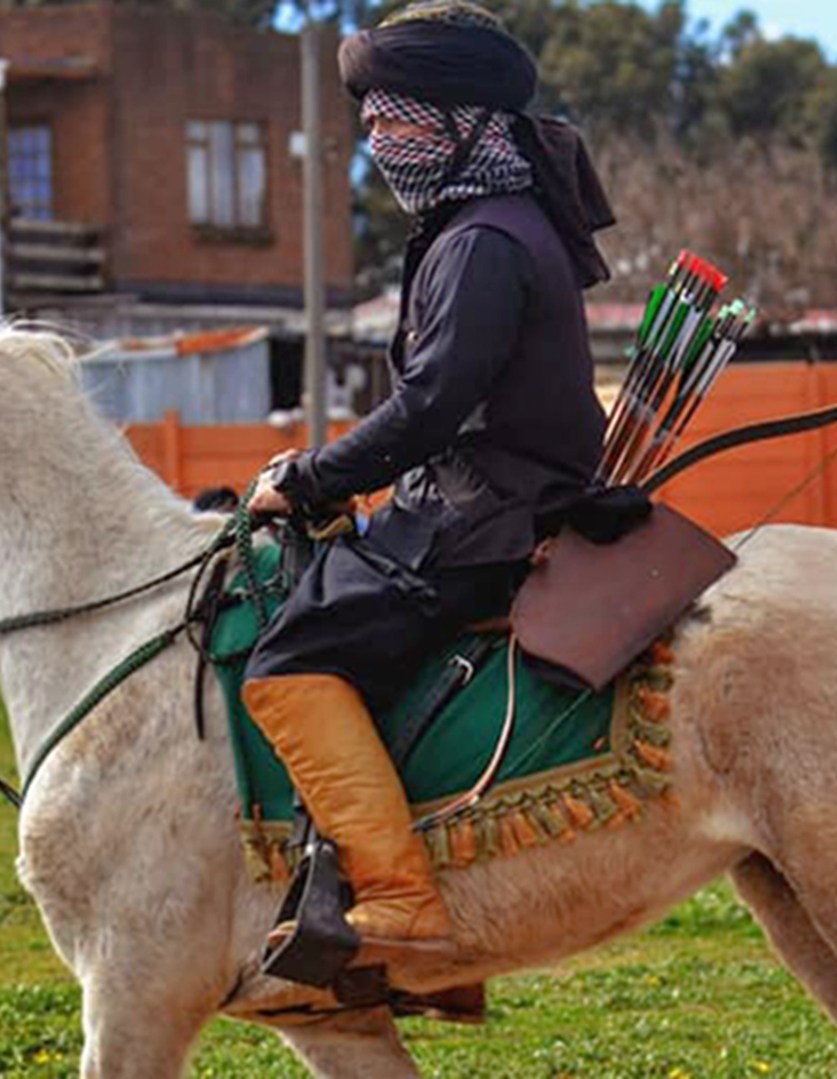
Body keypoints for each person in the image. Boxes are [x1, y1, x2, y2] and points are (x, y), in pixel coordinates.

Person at [239, 0, 614, 970]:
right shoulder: (500, 223)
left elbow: (429, 405)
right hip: (485, 500)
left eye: (390, 113)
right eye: (367, 116)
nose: (372, 134)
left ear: (456, 123)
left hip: (480, 519)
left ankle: (402, 902)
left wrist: (306, 474)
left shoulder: (482, 241)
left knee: (286, 664)